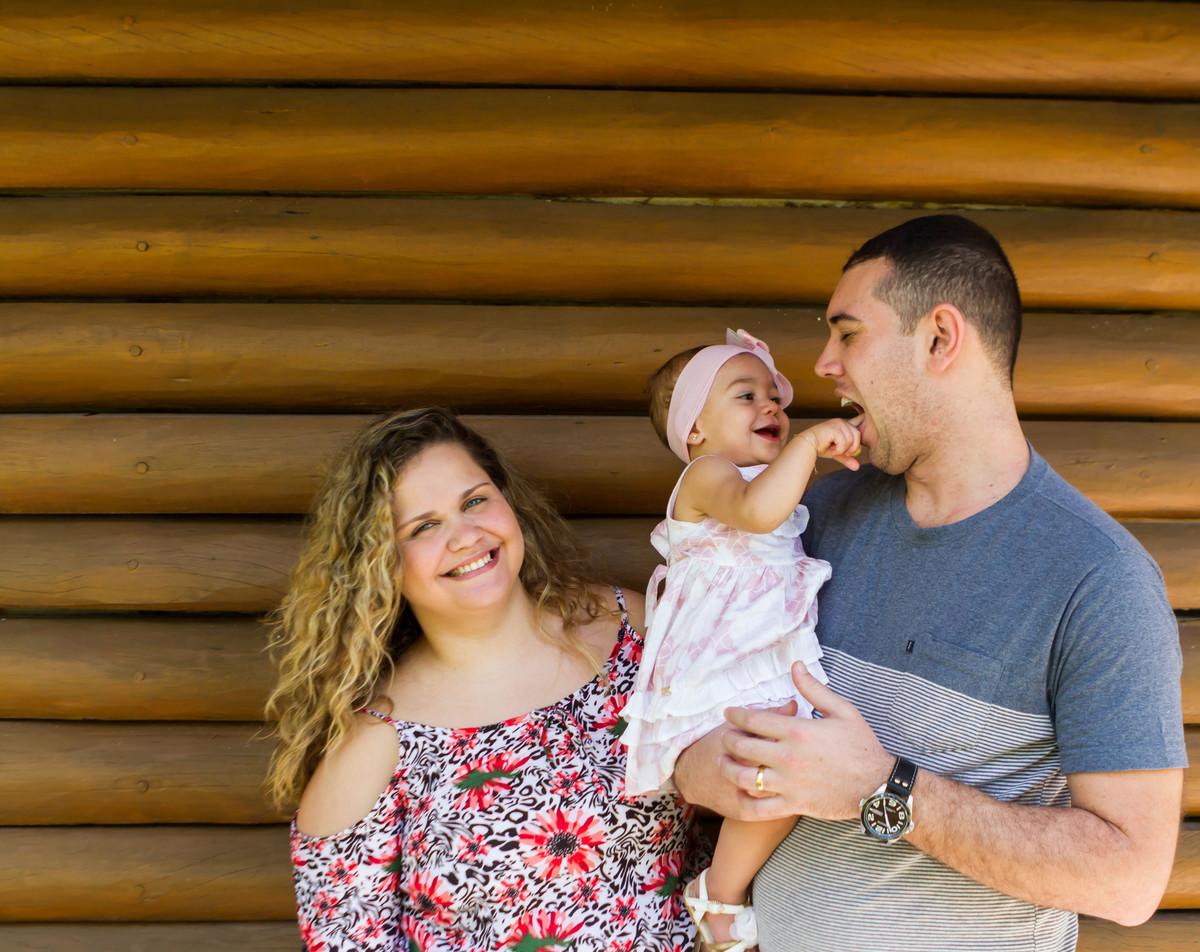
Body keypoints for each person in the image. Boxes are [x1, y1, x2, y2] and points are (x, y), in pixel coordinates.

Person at [674, 214, 1187, 952]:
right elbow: (694, 712)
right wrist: (703, 766)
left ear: (941, 339)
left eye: (848, 333)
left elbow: (1130, 879)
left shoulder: (1099, 579)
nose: (822, 364)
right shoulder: (806, 520)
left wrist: (883, 791)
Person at [265, 407, 707, 952]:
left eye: (474, 501)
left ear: (507, 502)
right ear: (379, 563)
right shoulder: (375, 744)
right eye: (424, 527)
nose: (466, 536)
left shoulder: (633, 630)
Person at [622, 329, 860, 951]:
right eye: (745, 395)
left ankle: (723, 892)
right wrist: (808, 445)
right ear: (694, 430)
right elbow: (758, 513)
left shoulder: (756, 475)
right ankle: (720, 893)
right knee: (780, 763)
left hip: (762, 646)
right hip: (727, 655)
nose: (771, 407)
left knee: (786, 768)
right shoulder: (708, 474)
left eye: (775, 397)